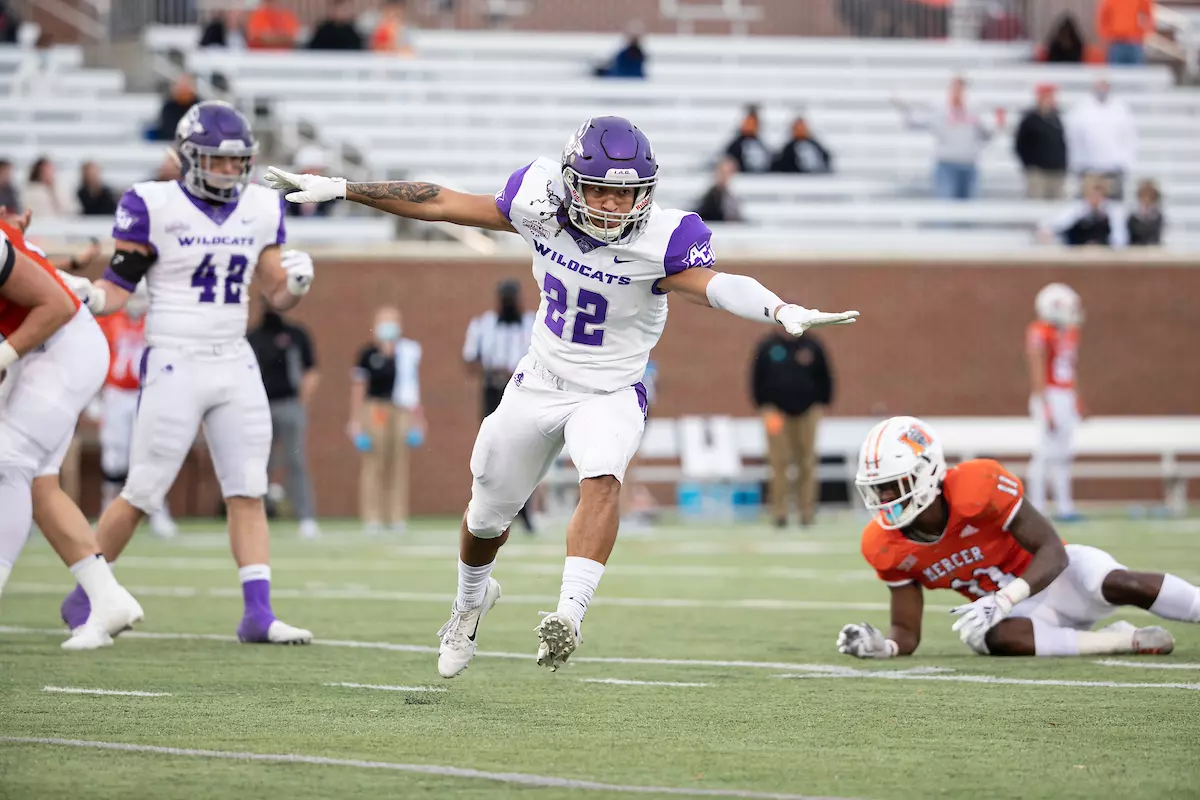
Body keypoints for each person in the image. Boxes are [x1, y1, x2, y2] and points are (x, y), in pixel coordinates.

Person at [264, 114, 859, 676]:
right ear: (572, 184)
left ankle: (568, 615)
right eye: (600, 191)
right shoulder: (539, 203)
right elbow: (442, 201)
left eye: (626, 195)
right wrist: (343, 188)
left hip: (612, 387)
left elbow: (715, 284)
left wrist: (778, 308)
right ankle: (470, 605)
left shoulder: (663, 239)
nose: (612, 205)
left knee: (602, 476)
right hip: (540, 378)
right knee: (485, 512)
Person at [57, 101, 316, 646]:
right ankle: (87, 596)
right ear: (189, 158)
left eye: (237, 162)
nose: (229, 171)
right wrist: (85, 293)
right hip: (174, 355)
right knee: (144, 489)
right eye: (218, 162)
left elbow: (274, 292)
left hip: (234, 356)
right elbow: (116, 290)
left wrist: (294, 285)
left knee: (247, 487)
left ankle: (258, 614)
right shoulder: (151, 203)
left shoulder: (261, 207)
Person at [838, 416, 1198, 660]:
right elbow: (906, 630)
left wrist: (1006, 597)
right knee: (984, 638)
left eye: (891, 487)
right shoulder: (882, 545)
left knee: (1123, 581)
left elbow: (1054, 552)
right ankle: (1122, 640)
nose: (884, 501)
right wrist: (884, 647)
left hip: (1055, 579)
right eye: (876, 490)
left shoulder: (976, 486)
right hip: (1013, 617)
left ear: (927, 472)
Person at [0, 211, 144, 651]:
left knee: (9, 465)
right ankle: (106, 598)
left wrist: (3, 357)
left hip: (61, 345)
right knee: (40, 483)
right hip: (49, 347)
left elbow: (57, 304)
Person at [94, 282, 178, 538]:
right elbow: (97, 356)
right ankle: (106, 512)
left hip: (146, 392)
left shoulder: (156, 323)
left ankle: (158, 511)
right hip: (116, 394)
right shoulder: (110, 320)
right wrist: (94, 397)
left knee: (150, 453)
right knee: (114, 455)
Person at [463, 280, 536, 532]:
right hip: (493, 391)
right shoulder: (482, 325)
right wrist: (492, 369)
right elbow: (470, 362)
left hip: (524, 390)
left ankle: (525, 512)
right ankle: (489, 512)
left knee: (525, 450)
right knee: (493, 451)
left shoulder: (532, 323)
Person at [348, 306, 423, 535]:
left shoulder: (407, 352)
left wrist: (418, 419)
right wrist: (356, 421)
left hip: (400, 409)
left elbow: (414, 387)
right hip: (376, 409)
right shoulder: (367, 354)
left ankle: (396, 516)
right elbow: (358, 388)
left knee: (398, 462)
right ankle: (373, 517)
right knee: (375, 461)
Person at [247, 305, 321, 539]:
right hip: (260, 407)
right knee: (258, 466)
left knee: (295, 461)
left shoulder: (295, 334)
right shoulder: (253, 337)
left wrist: (301, 402)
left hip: (289, 404)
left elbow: (312, 371)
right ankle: (254, 519)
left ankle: (306, 518)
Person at [752, 329, 832, 528]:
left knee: (807, 462)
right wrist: (763, 405)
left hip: (807, 412)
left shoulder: (811, 345)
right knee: (779, 463)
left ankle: (806, 512)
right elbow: (756, 378)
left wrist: (822, 401)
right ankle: (779, 512)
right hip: (776, 413)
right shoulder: (768, 346)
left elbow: (825, 375)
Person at [1025, 283, 1084, 522]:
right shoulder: (1040, 331)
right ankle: (1037, 507)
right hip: (1049, 395)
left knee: (1064, 455)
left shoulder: (1068, 332)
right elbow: (1037, 367)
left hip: (1065, 396)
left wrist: (1077, 398)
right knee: (1044, 453)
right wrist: (1044, 403)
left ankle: (1064, 506)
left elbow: (1070, 369)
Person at [895, 77, 1004, 201]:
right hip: (946, 165)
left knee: (969, 213)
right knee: (945, 211)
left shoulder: (974, 111)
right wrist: (903, 107)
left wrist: (998, 126)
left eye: (961, 88)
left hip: (969, 165)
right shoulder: (940, 110)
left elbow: (985, 135)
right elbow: (914, 123)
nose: (958, 91)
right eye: (955, 87)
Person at [1066, 79, 1137, 201]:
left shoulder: (1120, 109)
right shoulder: (1082, 108)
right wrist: (1077, 164)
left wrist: (1126, 163)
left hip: (1113, 167)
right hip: (1088, 167)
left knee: (1114, 206)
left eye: (1105, 86)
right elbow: (1074, 138)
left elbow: (1129, 138)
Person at [1038, 175, 1129, 248]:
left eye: (1099, 194)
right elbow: (1056, 225)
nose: (1095, 197)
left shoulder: (1113, 211)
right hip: (1078, 252)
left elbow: (1120, 239)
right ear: (1086, 193)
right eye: (1092, 193)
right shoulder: (1076, 209)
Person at [1014, 84, 1068, 201]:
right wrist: (1030, 165)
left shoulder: (1057, 118)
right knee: (1037, 203)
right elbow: (1020, 145)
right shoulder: (1030, 120)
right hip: (1038, 172)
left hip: (1057, 171)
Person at [1098, 0, 1154, 66]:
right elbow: (1103, 20)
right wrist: (1109, 36)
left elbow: (1148, 17)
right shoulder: (1109, 1)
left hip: (1135, 43)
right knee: (1116, 73)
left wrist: (1140, 34)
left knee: (1137, 74)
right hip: (1116, 44)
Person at [694, 157, 743, 223]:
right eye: (722, 172)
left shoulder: (733, 198)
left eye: (727, 172)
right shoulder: (709, 196)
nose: (724, 176)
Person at [724, 106, 771, 174]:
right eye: (749, 122)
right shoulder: (736, 145)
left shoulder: (761, 145)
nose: (751, 125)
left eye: (754, 123)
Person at [156, 74, 198, 142]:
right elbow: (169, 130)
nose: (184, 89)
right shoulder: (168, 108)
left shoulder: (198, 107)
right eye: (181, 86)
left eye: (186, 86)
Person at [1128, 178, 1164, 245]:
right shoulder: (1133, 216)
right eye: (1144, 195)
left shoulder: (1157, 216)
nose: (1147, 199)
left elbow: (1156, 236)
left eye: (1150, 196)